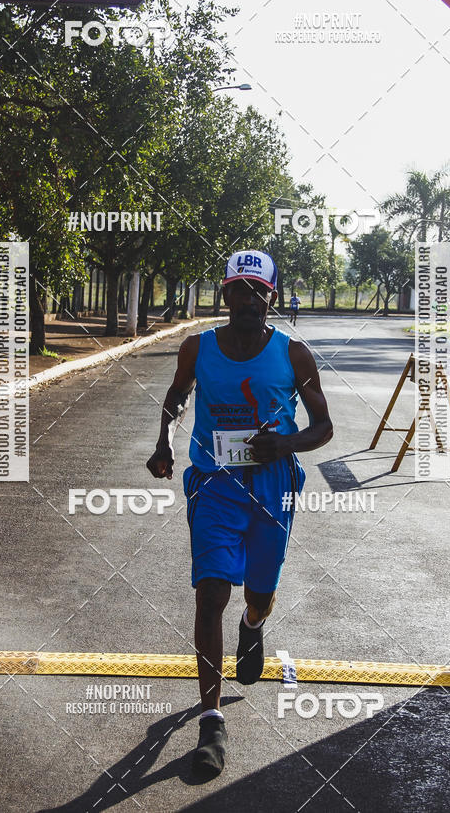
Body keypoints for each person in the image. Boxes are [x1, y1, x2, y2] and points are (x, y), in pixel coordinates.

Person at [146, 249, 333, 778]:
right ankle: (212, 720)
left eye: (258, 290)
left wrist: (286, 443)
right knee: (210, 594)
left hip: (273, 487)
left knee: (259, 595)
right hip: (214, 482)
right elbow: (177, 395)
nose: (247, 299)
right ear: (224, 294)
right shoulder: (197, 349)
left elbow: (324, 427)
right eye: (238, 289)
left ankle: (253, 626)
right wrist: (164, 440)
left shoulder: (293, 355)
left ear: (271, 297)